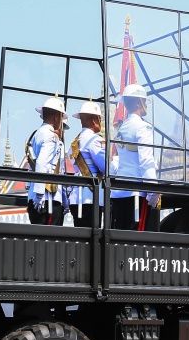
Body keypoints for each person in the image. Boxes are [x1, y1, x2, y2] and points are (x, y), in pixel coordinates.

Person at [110, 84, 159, 231]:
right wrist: (153, 190)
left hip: (119, 192)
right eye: (144, 101)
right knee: (136, 240)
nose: (146, 105)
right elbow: (146, 160)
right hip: (136, 193)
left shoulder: (122, 127)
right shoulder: (143, 127)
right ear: (139, 102)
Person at [68, 100, 115, 227]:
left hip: (76, 198)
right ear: (94, 120)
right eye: (100, 119)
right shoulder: (95, 140)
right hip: (91, 198)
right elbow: (108, 168)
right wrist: (115, 160)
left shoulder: (74, 142)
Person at [25, 95, 67, 225]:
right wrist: (39, 194)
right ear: (56, 117)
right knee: (52, 242)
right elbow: (42, 164)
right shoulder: (50, 136)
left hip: (36, 196)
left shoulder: (36, 134)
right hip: (47, 199)